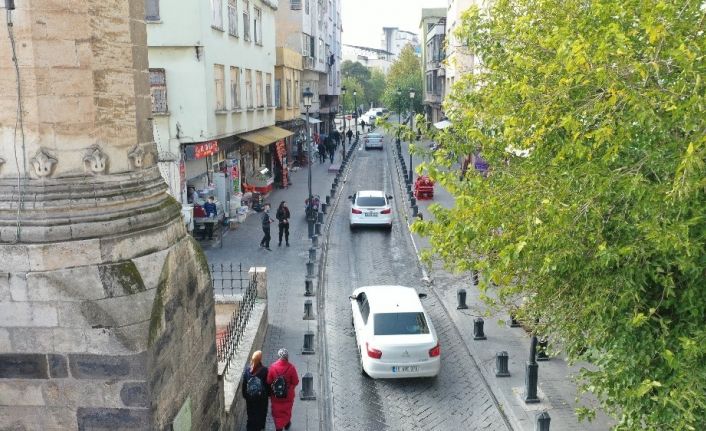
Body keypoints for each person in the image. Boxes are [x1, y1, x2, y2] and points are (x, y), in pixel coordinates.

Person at [267, 348, 299, 431]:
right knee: (287, 411)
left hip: (275, 396)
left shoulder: (272, 367)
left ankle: (279, 428)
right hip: (288, 396)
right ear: (287, 357)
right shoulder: (291, 368)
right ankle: (287, 423)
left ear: (278, 357)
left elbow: (269, 381)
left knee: (277, 412)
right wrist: (289, 389)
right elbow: (296, 381)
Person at [242, 350, 269, 431]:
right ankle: (261, 427)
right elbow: (267, 385)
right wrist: (267, 395)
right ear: (260, 359)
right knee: (261, 413)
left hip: (250, 398)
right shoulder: (264, 370)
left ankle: (250, 427)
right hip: (261, 399)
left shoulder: (247, 371)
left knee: (251, 414)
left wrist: (246, 396)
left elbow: (244, 386)